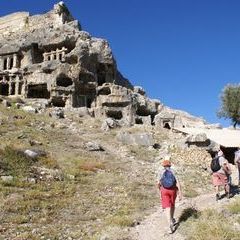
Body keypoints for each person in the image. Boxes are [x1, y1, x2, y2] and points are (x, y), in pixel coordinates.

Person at [157, 156, 182, 234]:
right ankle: (172, 218)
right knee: (172, 205)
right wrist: (180, 192)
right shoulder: (173, 171)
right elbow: (178, 182)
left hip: (164, 190)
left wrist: (160, 193)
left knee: (167, 208)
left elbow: (158, 183)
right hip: (173, 190)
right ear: (170, 165)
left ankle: (169, 224)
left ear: (163, 165)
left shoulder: (161, 172)